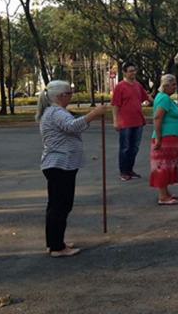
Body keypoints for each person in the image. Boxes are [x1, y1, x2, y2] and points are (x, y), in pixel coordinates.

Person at [36, 80, 107, 257]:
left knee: (56, 205)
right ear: (61, 96)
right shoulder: (56, 112)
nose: (71, 97)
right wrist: (94, 113)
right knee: (61, 205)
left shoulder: (54, 112)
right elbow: (72, 126)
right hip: (60, 164)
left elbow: (72, 128)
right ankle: (57, 247)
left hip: (60, 164)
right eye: (69, 94)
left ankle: (54, 241)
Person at [149, 74, 178, 205]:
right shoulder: (164, 99)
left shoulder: (166, 99)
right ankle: (163, 196)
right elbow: (158, 117)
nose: (175, 87)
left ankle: (165, 192)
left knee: (168, 165)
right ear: (165, 86)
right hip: (166, 137)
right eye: (173, 85)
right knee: (163, 165)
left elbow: (171, 115)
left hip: (172, 136)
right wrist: (159, 139)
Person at [111, 62, 153, 181]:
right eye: (130, 71)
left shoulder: (138, 85)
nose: (133, 73)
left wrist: (162, 103)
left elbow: (148, 98)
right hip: (125, 122)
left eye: (134, 70)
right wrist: (115, 121)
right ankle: (123, 171)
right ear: (124, 72)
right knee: (125, 147)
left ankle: (130, 169)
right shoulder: (120, 86)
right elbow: (115, 105)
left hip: (138, 121)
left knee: (134, 147)